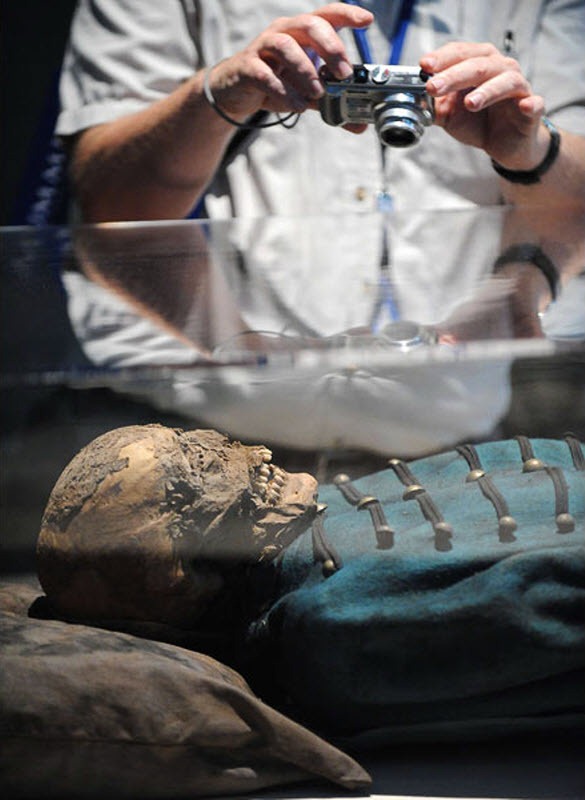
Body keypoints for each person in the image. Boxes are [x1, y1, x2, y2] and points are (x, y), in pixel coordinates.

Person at [56, 1, 585, 223]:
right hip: (208, 402)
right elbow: (108, 204)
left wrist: (531, 151)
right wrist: (217, 96)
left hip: (454, 400)